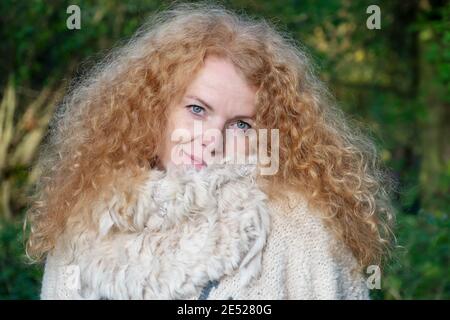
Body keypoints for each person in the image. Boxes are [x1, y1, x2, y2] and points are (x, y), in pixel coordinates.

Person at [25, 2, 394, 300]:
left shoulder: (300, 232)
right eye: (197, 110)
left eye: (241, 125)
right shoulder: (85, 221)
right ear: (154, 109)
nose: (212, 139)